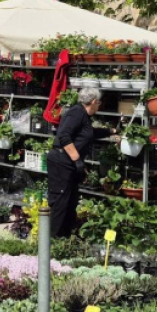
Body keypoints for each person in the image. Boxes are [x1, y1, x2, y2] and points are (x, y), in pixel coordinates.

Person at [48, 87, 114, 237]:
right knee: (60, 201)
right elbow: (64, 136)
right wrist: (77, 160)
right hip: (61, 162)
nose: (99, 106)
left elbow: (88, 133)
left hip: (67, 163)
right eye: (99, 103)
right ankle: (52, 241)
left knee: (71, 202)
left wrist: (110, 131)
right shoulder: (76, 112)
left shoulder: (83, 115)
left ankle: (65, 238)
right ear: (94, 102)